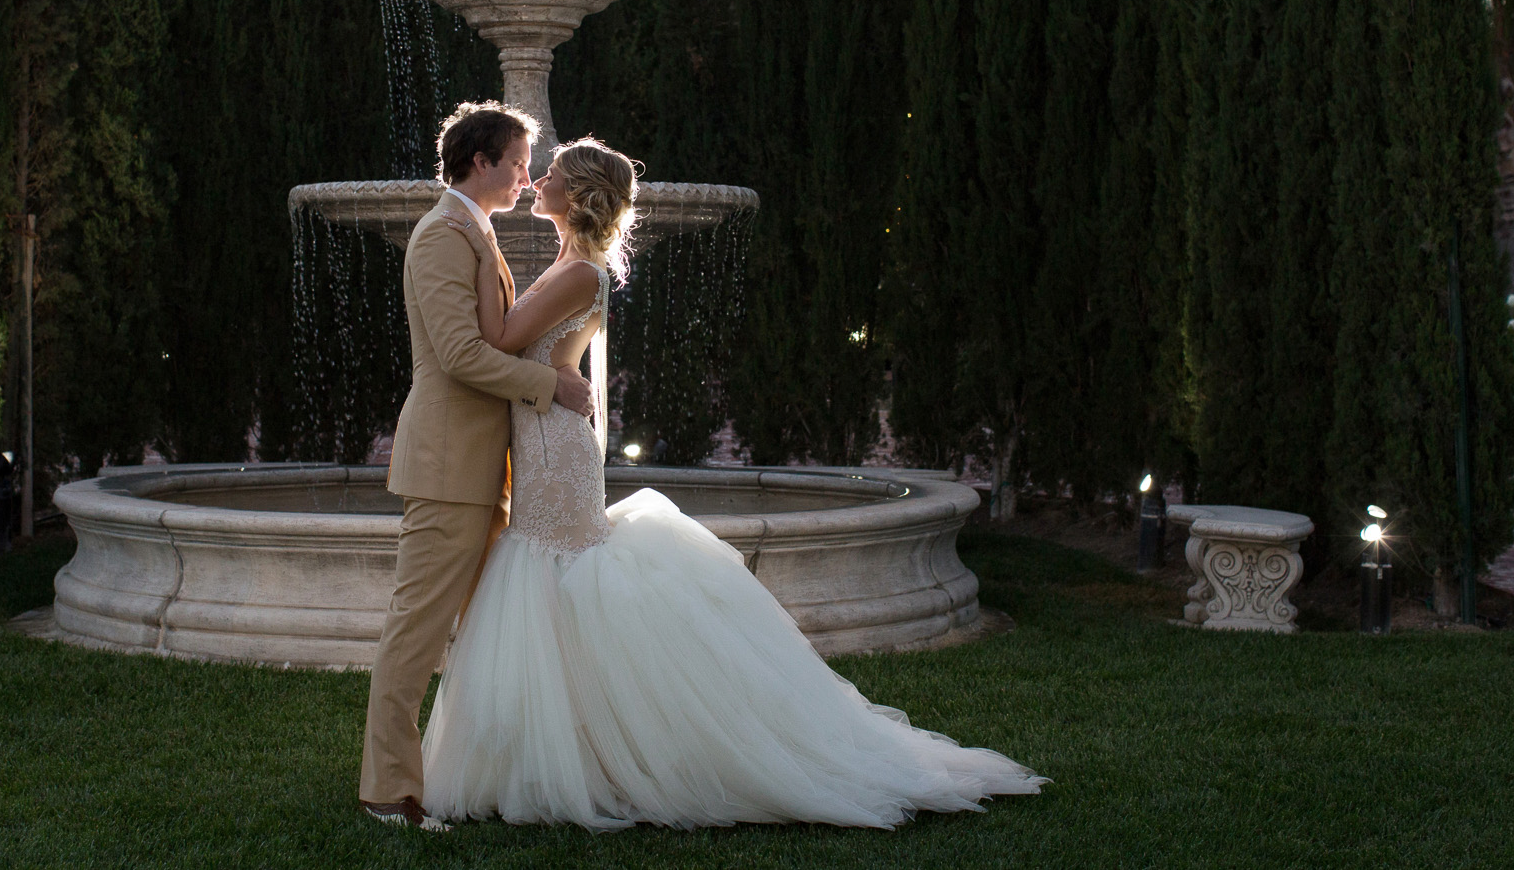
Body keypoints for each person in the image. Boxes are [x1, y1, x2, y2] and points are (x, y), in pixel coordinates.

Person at [420, 136, 1048, 830]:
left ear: (580, 194)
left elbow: (500, 340)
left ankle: (600, 758)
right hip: (547, 440)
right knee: (550, 587)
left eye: (553, 175)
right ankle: (580, 752)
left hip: (555, 450)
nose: (537, 179)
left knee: (554, 579)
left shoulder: (578, 273)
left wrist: (479, 245)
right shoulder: (572, 261)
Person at [358, 102, 594, 832]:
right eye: (520, 160)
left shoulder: (475, 230)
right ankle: (387, 791)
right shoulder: (441, 235)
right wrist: (548, 384)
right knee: (417, 630)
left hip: (482, 465)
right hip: (447, 466)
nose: (528, 175)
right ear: (479, 160)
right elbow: (460, 355)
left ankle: (485, 775)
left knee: (485, 632)